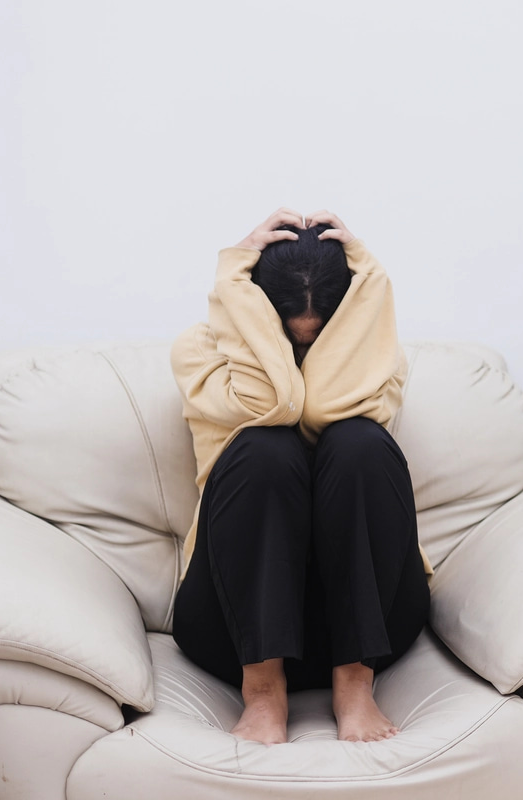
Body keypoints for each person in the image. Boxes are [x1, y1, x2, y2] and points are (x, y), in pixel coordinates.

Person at [169, 208, 431, 745]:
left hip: (369, 626)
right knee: (265, 447)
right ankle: (264, 694)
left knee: (357, 442)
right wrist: (232, 280)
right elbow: (276, 402)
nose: (304, 351)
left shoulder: (377, 358)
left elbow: (325, 407)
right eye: (292, 339)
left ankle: (354, 685)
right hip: (234, 626)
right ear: (258, 315)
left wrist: (373, 286)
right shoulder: (199, 350)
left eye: (318, 341)